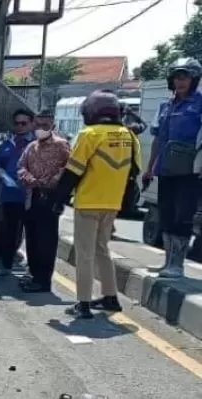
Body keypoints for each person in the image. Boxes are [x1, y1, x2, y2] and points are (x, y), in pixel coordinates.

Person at [56, 90, 139, 319]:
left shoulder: (90, 134)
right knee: (103, 249)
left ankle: (82, 303)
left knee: (84, 253)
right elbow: (134, 170)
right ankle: (110, 297)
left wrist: (58, 199)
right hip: (112, 203)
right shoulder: (129, 136)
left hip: (89, 201)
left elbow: (73, 170)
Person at [143, 57, 202, 279]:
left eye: (185, 77)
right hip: (166, 169)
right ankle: (168, 261)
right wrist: (150, 168)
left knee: (182, 217)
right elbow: (158, 139)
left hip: (190, 170)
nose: (180, 81)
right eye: (177, 77)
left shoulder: (199, 103)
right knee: (166, 216)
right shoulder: (165, 106)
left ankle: (177, 265)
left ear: (194, 79)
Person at [16, 110, 71, 293]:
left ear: (52, 126)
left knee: (46, 241)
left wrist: (54, 179)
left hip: (50, 199)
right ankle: (33, 275)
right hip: (32, 197)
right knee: (31, 239)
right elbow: (21, 166)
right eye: (38, 125)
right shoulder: (31, 147)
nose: (41, 129)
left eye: (45, 126)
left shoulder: (62, 146)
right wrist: (28, 178)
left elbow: (68, 169)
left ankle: (43, 280)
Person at [0, 108, 35, 276]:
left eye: (24, 123)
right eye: (17, 123)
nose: (20, 127)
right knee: (8, 232)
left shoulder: (36, 145)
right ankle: (6, 265)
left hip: (30, 196)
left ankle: (32, 269)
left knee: (32, 233)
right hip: (10, 196)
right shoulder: (9, 143)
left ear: (31, 124)